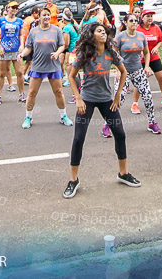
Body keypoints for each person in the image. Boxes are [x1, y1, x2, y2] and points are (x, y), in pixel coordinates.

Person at [63, 23, 140, 198]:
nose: (103, 34)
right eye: (99, 31)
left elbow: (123, 71)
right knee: (78, 138)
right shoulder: (84, 54)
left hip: (107, 100)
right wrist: (79, 98)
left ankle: (123, 173)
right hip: (87, 100)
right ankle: (73, 180)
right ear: (92, 36)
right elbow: (71, 76)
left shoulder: (111, 52)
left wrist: (118, 94)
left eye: (104, 31)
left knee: (120, 134)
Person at [20, 8, 71, 128]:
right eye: (44, 15)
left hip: (53, 66)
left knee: (58, 92)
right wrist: (22, 54)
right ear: (39, 17)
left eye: (48, 15)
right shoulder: (33, 32)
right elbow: (28, 48)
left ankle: (63, 116)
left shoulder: (56, 30)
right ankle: (28, 117)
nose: (47, 17)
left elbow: (62, 45)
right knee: (32, 92)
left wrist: (57, 53)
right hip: (37, 66)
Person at [115, 13, 161, 135]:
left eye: (136, 20)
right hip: (124, 71)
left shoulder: (141, 36)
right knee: (119, 99)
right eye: (131, 21)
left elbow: (146, 53)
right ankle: (109, 125)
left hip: (138, 71)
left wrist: (146, 67)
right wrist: (118, 70)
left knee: (148, 97)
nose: (134, 23)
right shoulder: (120, 37)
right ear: (125, 23)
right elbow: (113, 55)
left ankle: (152, 123)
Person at [132, 10, 162, 113]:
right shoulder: (137, 29)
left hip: (154, 57)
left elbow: (160, 40)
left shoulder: (156, 28)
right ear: (142, 18)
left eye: (151, 16)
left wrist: (156, 47)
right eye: (147, 16)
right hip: (141, 58)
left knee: (161, 78)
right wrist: (139, 50)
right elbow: (132, 41)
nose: (150, 18)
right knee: (139, 81)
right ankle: (135, 104)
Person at [0, 1, 26, 104]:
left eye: (16, 8)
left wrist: (22, 45)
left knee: (19, 72)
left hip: (15, 49)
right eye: (12, 7)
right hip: (4, 50)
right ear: (7, 8)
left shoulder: (19, 21)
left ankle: (21, 94)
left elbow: (20, 34)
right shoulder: (1, 20)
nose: (14, 10)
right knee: (2, 73)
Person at [60, 8, 81, 90]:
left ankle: (75, 91)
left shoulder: (66, 28)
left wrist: (61, 50)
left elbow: (66, 43)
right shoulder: (76, 25)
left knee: (71, 72)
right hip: (77, 49)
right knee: (76, 70)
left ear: (64, 18)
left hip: (71, 51)